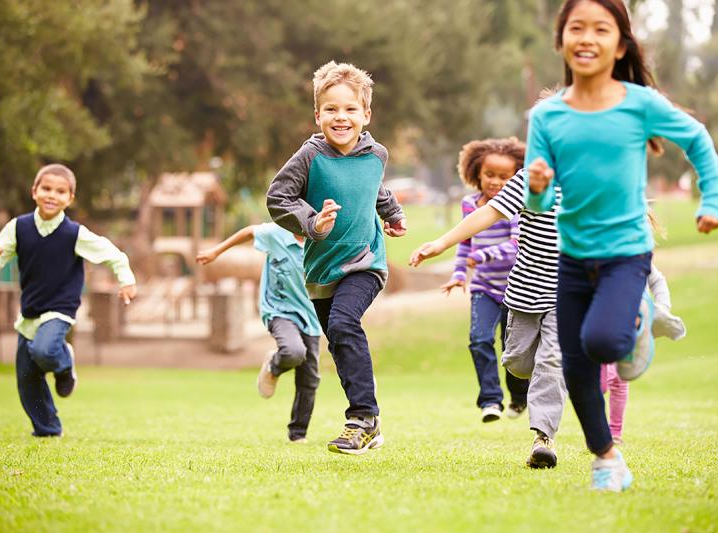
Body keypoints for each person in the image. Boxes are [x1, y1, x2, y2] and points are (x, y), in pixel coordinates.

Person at [524, 0, 718, 491]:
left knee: (602, 343)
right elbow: (540, 204)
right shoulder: (547, 116)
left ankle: (637, 321)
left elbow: (697, 141)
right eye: (576, 28)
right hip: (572, 255)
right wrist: (537, 186)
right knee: (575, 367)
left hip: (625, 253)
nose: (587, 38)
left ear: (620, 45)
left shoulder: (639, 103)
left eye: (601, 29)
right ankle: (606, 458)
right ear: (561, 40)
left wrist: (714, 199)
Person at [266, 61, 406, 455]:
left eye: (349, 109)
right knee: (340, 342)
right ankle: (369, 424)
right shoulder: (310, 155)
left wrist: (392, 214)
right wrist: (313, 223)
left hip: (365, 262)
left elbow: (375, 189)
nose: (340, 117)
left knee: (345, 323)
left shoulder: (376, 154)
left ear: (366, 114)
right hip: (320, 268)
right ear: (317, 115)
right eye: (331, 109)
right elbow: (278, 198)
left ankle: (362, 418)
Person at [411, 161, 568, 469]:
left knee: (551, 362)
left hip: (567, 292)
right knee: (519, 363)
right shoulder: (529, 178)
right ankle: (536, 379)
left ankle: (543, 438)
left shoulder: (591, 179)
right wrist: (442, 243)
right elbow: (489, 212)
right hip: (524, 291)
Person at [0, 164, 136, 437]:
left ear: (70, 198)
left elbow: (112, 254)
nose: (52, 195)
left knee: (44, 350)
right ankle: (47, 430)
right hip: (29, 313)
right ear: (34, 191)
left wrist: (126, 279)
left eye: (60, 191)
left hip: (60, 310)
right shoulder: (18, 227)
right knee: (27, 379)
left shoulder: (74, 233)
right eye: (46, 188)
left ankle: (64, 363)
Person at [196, 223, 321, 443]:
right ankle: (274, 365)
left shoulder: (321, 242)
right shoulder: (276, 234)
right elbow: (248, 231)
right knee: (293, 351)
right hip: (279, 310)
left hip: (312, 316)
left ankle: (298, 433)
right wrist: (216, 251)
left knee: (309, 378)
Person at [441, 138, 529, 423]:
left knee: (512, 350)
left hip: (516, 288)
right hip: (484, 288)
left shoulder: (515, 207)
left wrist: (484, 256)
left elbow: (517, 245)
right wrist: (458, 275)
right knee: (479, 340)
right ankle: (490, 400)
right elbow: (465, 243)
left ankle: (519, 396)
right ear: (477, 172)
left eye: (505, 177)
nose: (496, 182)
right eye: (490, 175)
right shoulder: (470, 205)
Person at [601, 213, 687, 443]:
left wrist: (662, 308)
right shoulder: (603, 256)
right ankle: (596, 418)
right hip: (602, 324)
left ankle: (615, 433)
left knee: (620, 379)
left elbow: (658, 282)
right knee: (601, 381)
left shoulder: (643, 260)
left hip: (631, 327)